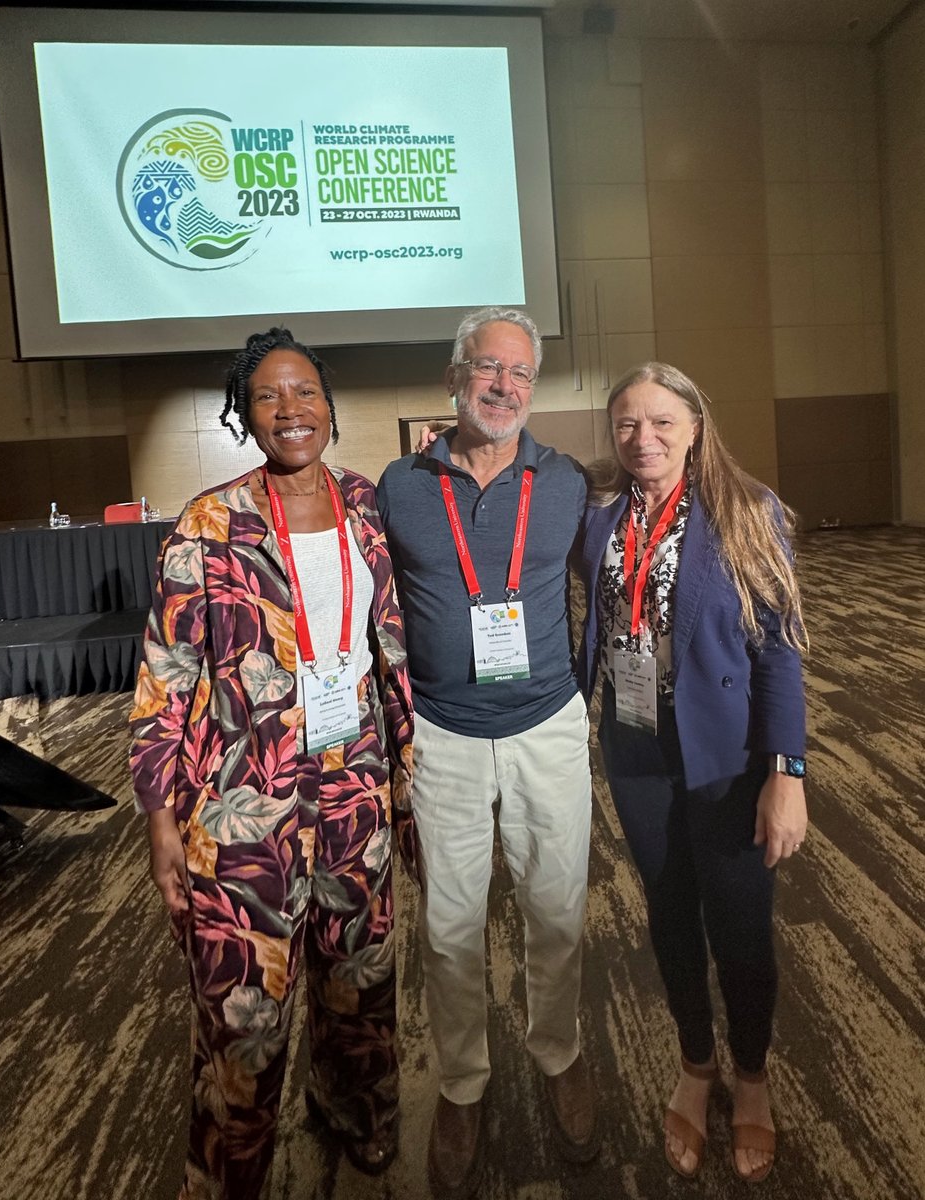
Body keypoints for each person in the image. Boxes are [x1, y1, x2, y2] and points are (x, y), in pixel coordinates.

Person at [130, 327, 413, 1198]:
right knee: (241, 1011)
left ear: (329, 406)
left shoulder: (365, 504)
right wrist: (160, 819)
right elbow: (166, 676)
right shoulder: (209, 523)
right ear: (244, 415)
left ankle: (356, 1112)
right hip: (241, 803)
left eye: (305, 394)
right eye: (268, 397)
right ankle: (226, 1175)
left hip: (355, 785)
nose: (291, 410)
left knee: (359, 977)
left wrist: (403, 785)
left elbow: (387, 647)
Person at [376, 306, 598, 1195]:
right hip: (442, 736)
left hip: (548, 725)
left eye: (519, 373)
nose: (503, 386)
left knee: (557, 907)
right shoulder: (396, 486)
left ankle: (560, 1053)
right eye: (486, 368)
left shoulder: (570, 481)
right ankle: (462, 1083)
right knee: (449, 923)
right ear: (454, 376)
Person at [577, 361, 808, 1184]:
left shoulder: (748, 512)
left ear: (695, 427)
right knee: (669, 913)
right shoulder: (598, 512)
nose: (643, 439)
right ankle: (694, 1061)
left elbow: (779, 652)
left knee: (739, 925)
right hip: (636, 746)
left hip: (729, 755)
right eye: (627, 425)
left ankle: (750, 1078)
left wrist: (788, 771)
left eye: (662, 422)